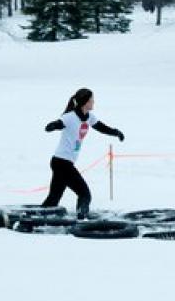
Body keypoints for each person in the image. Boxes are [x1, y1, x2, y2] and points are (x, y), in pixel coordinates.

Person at [42, 88, 124, 219]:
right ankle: (81, 219)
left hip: (62, 162)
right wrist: (52, 126)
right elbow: (60, 123)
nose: (93, 102)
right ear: (85, 102)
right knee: (84, 194)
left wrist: (116, 132)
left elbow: (101, 127)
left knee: (54, 198)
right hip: (62, 163)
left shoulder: (89, 117)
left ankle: (37, 218)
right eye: (91, 100)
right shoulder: (69, 117)